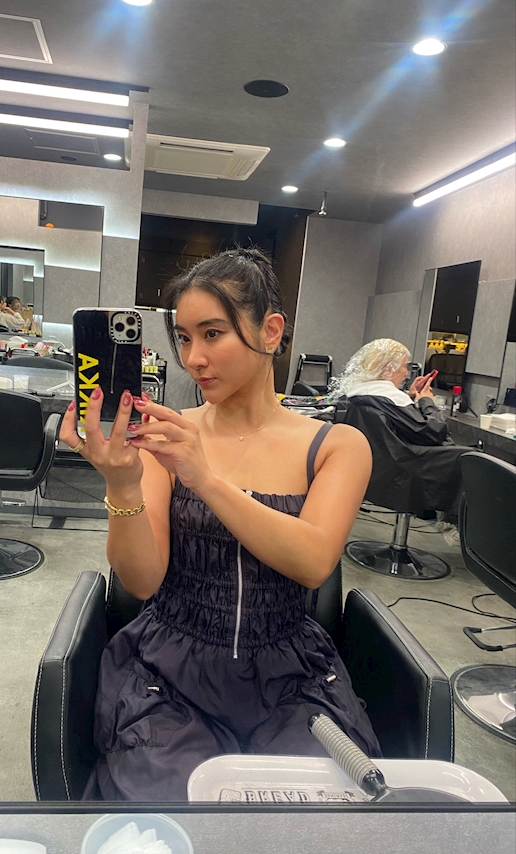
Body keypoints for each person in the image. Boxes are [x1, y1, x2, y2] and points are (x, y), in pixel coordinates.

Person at [59, 247, 381, 802]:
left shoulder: (337, 445)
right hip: (170, 674)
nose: (194, 358)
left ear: (271, 331)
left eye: (212, 334)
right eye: (184, 338)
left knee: (308, 818)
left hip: (292, 678)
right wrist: (123, 484)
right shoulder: (168, 435)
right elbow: (141, 581)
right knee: (171, 814)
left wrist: (204, 478)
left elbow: (312, 562)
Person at [333, 338, 464, 542]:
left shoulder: (363, 392)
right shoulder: (389, 397)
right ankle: (456, 523)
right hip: (400, 474)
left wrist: (410, 397)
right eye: (404, 366)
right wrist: (427, 401)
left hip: (375, 471)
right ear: (388, 368)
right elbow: (434, 431)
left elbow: (400, 422)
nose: (405, 372)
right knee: (467, 457)